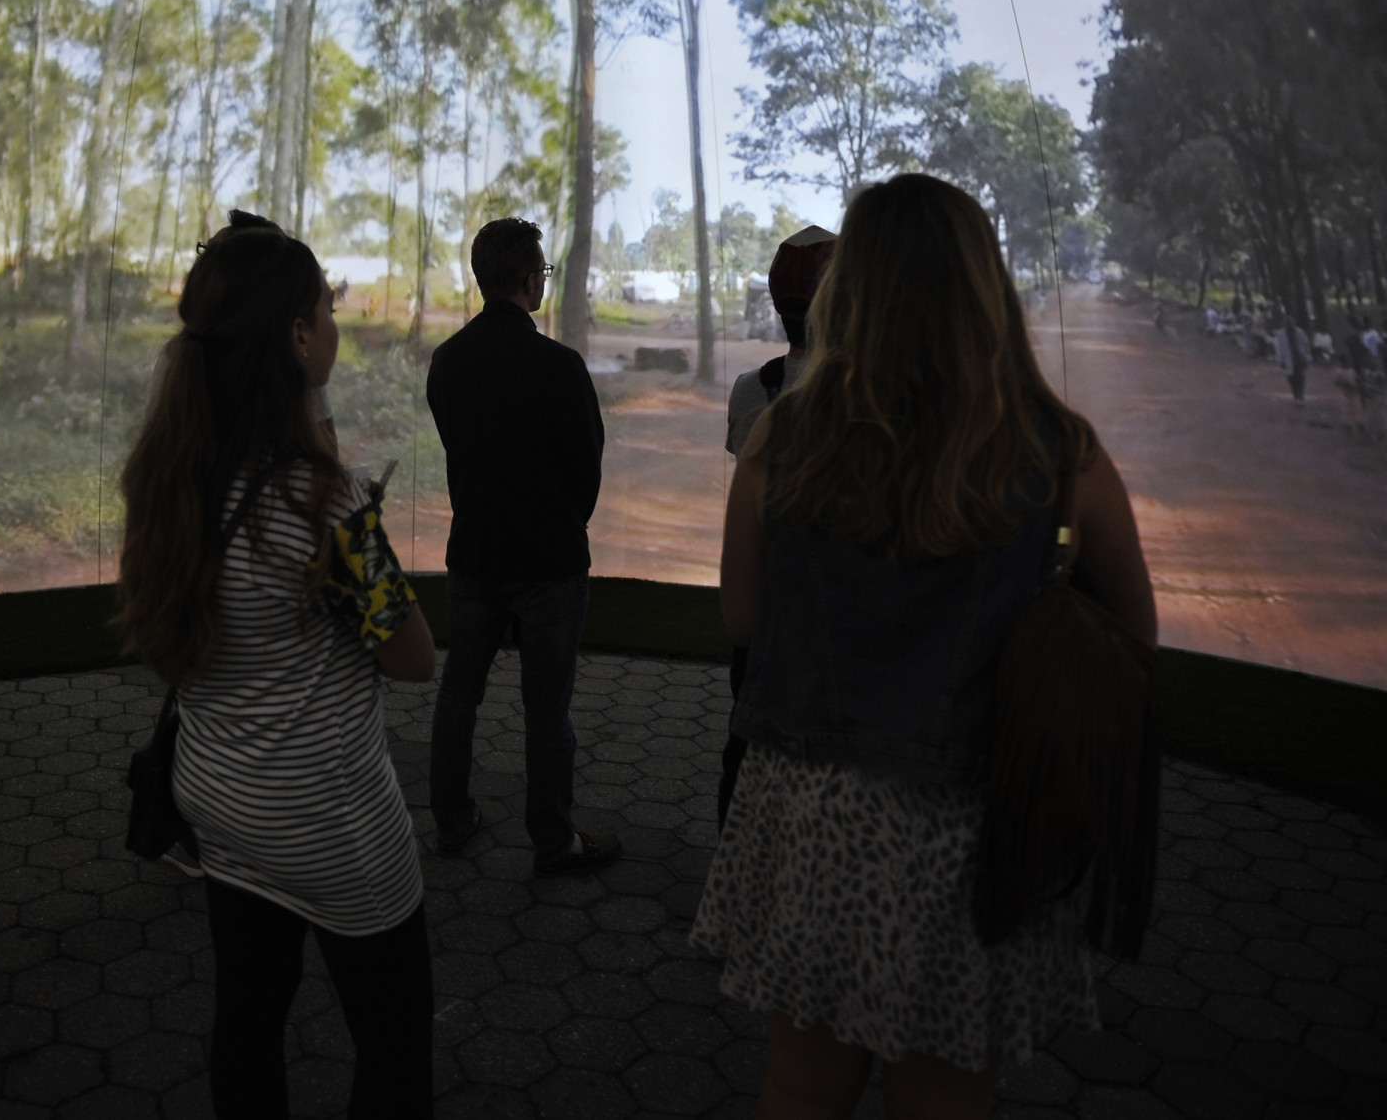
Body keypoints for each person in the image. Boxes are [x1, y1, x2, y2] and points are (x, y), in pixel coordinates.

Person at [695, 175, 1157, 1120]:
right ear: (984, 287)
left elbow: (741, 619)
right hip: (978, 828)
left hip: (813, 813)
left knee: (799, 1090)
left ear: (850, 292)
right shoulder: (1059, 452)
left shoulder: (783, 433)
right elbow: (1131, 638)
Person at [114, 212, 438, 1118]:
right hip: (333, 822)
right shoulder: (325, 503)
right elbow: (414, 658)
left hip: (220, 805)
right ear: (298, 336)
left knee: (249, 1019)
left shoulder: (170, 479)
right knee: (395, 1044)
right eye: (325, 310)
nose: (336, 323)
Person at [424, 217, 616, 876]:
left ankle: (452, 822)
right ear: (532, 280)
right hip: (549, 562)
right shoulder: (559, 366)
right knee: (546, 707)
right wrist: (565, 523)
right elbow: (586, 466)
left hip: (475, 553)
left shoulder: (448, 361)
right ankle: (554, 840)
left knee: (460, 693)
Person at [718, 224, 837, 828]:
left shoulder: (751, 391)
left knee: (745, 751)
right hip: (837, 628)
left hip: (764, 622)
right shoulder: (870, 404)